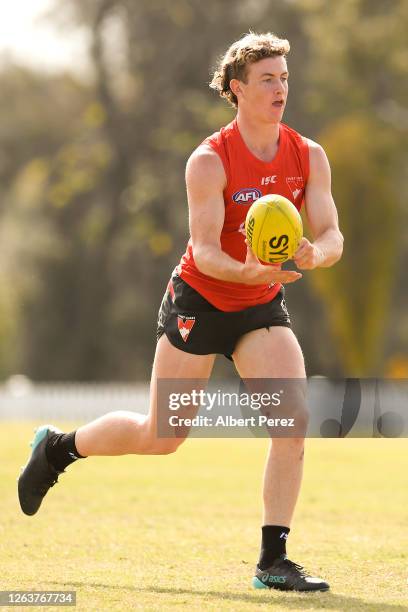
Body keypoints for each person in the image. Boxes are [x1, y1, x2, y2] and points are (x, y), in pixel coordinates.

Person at [18, 32, 343, 592]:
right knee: (163, 435)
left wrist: (316, 253)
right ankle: (58, 448)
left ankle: (273, 562)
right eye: (268, 79)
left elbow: (333, 233)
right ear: (238, 89)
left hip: (260, 305)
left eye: (284, 78)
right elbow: (208, 251)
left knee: (291, 424)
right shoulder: (208, 160)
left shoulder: (307, 155)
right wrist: (246, 272)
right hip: (201, 299)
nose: (280, 88)